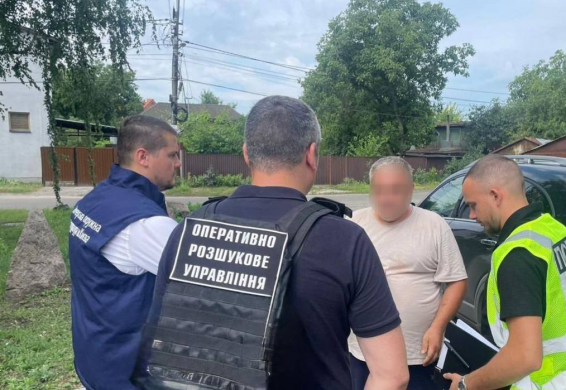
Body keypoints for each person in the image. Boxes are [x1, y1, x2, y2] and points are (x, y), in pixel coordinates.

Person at [133, 96, 409, 390]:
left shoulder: (190, 230)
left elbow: (165, 353)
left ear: (246, 154)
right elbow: (392, 376)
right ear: (312, 154)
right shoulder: (346, 241)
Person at [443, 155, 566, 390]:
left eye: (473, 205)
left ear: (495, 195)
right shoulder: (553, 229)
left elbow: (525, 357)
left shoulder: (518, 255)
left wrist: (466, 384)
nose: (471, 215)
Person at [68, 115, 181, 390]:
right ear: (143, 157)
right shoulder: (146, 224)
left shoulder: (96, 199)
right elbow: (206, 285)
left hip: (95, 355)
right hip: (126, 371)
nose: (178, 163)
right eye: (172, 155)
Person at [348, 157, 468, 390]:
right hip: (364, 352)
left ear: (412, 189)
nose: (386, 198)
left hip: (419, 355)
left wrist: (438, 327)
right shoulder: (353, 224)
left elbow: (457, 281)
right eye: (378, 190)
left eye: (395, 190)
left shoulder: (434, 225)